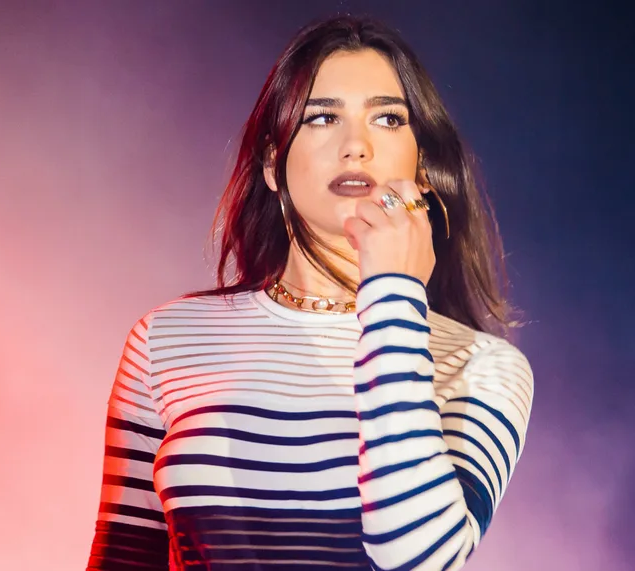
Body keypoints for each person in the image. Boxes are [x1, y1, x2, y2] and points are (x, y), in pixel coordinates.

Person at [86, 14, 534, 571]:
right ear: (273, 163)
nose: (357, 146)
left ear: (423, 169)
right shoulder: (166, 340)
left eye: (389, 118)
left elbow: (416, 558)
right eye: (323, 117)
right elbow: (121, 560)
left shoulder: (481, 367)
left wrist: (394, 293)